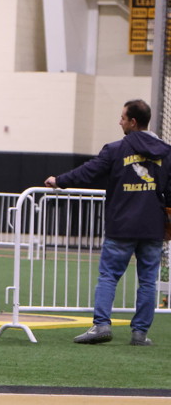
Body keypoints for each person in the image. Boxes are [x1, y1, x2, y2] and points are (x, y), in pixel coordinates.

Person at [45, 99, 171, 347]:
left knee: (109, 276)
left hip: (121, 225)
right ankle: (140, 334)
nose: (119, 121)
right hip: (152, 227)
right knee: (148, 281)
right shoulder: (166, 152)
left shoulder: (115, 150)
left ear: (133, 122)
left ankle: (101, 325)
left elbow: (88, 171)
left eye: (122, 118)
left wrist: (59, 181)